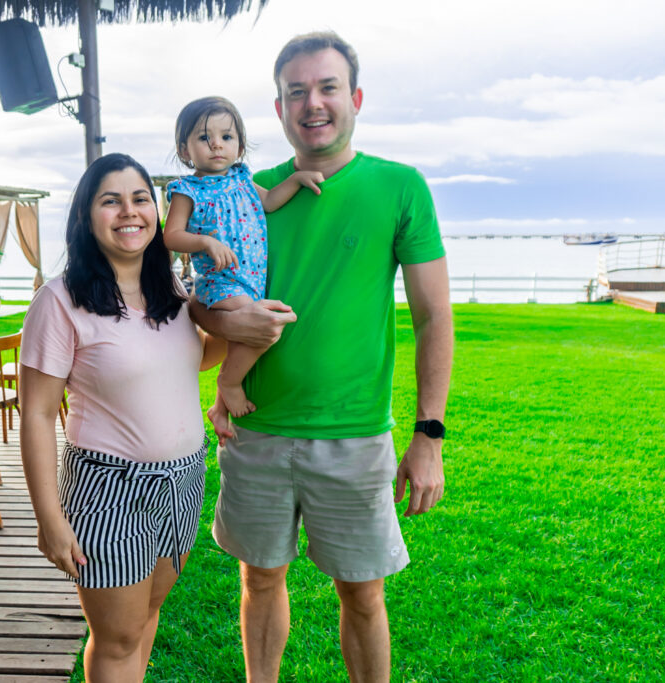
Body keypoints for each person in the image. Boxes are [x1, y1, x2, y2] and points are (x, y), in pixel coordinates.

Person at [190, 32, 454, 682]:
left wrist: (430, 434)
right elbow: (204, 298)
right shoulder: (245, 193)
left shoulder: (400, 186)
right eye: (296, 92)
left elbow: (433, 316)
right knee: (260, 578)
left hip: (356, 436)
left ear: (355, 97)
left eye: (327, 87)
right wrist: (219, 317)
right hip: (257, 431)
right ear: (278, 110)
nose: (313, 103)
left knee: (363, 592)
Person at [19, 153, 226, 682]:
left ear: (155, 213)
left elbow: (191, 362)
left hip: (183, 482)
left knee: (144, 618)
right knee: (116, 639)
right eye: (110, 200)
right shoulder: (60, 300)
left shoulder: (174, 294)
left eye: (139, 199)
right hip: (110, 487)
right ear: (87, 216)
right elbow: (38, 414)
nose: (128, 212)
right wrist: (49, 517)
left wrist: (235, 325)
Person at [163, 96, 323, 420]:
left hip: (250, 282)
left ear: (239, 145)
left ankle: (219, 409)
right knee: (264, 327)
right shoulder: (188, 190)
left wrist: (295, 180)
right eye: (204, 138)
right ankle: (229, 383)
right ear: (184, 150)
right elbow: (171, 235)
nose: (216, 145)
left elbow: (270, 201)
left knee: (246, 333)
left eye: (226, 136)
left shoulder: (242, 180)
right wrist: (205, 241)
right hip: (219, 282)